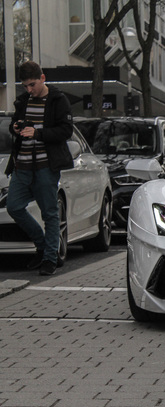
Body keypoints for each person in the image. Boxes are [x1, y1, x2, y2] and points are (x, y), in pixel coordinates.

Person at [4, 61, 74, 276]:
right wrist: (15, 128)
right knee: (14, 207)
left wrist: (38, 134)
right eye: (25, 86)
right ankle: (43, 245)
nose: (29, 90)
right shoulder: (23, 100)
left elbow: (66, 131)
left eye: (32, 84)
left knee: (50, 213)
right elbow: (15, 124)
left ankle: (49, 258)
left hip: (46, 165)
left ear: (42, 78)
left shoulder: (57, 100)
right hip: (22, 164)